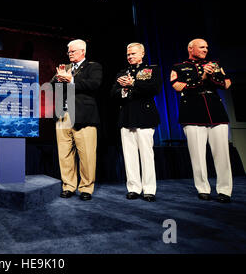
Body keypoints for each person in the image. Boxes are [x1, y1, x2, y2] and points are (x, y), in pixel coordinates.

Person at [170, 38, 233, 203]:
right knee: (197, 155)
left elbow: (226, 84)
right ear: (191, 48)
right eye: (202, 47)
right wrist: (203, 77)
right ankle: (203, 189)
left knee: (222, 155)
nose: (205, 50)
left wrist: (211, 77)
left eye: (206, 47)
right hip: (192, 112)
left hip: (216, 112)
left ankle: (225, 191)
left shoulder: (215, 64)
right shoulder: (178, 67)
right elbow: (178, 87)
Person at [50, 39, 102, 201]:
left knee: (86, 154)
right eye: (69, 52)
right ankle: (68, 186)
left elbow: (94, 84)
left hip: (83, 116)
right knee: (64, 154)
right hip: (63, 115)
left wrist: (71, 80)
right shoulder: (65, 68)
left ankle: (86, 188)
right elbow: (52, 83)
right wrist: (59, 79)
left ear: (82, 51)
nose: (69, 54)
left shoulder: (93, 67)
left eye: (72, 51)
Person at [111, 43, 162, 202]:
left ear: (142, 54)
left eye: (133, 54)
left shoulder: (152, 70)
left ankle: (149, 190)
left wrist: (132, 84)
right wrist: (124, 90)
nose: (130, 57)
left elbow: (154, 88)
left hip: (145, 115)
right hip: (127, 116)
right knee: (129, 155)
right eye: (128, 54)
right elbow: (113, 93)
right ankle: (133, 187)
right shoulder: (122, 72)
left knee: (146, 155)